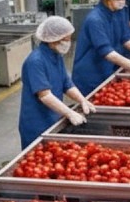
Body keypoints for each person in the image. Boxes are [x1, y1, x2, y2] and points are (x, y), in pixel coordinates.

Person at [19, 16, 96, 147]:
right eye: (66, 39)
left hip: (53, 116)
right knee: (37, 156)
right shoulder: (35, 61)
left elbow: (67, 84)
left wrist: (82, 100)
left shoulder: (56, 55)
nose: (69, 43)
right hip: (36, 123)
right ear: (53, 40)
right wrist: (69, 113)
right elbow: (45, 95)